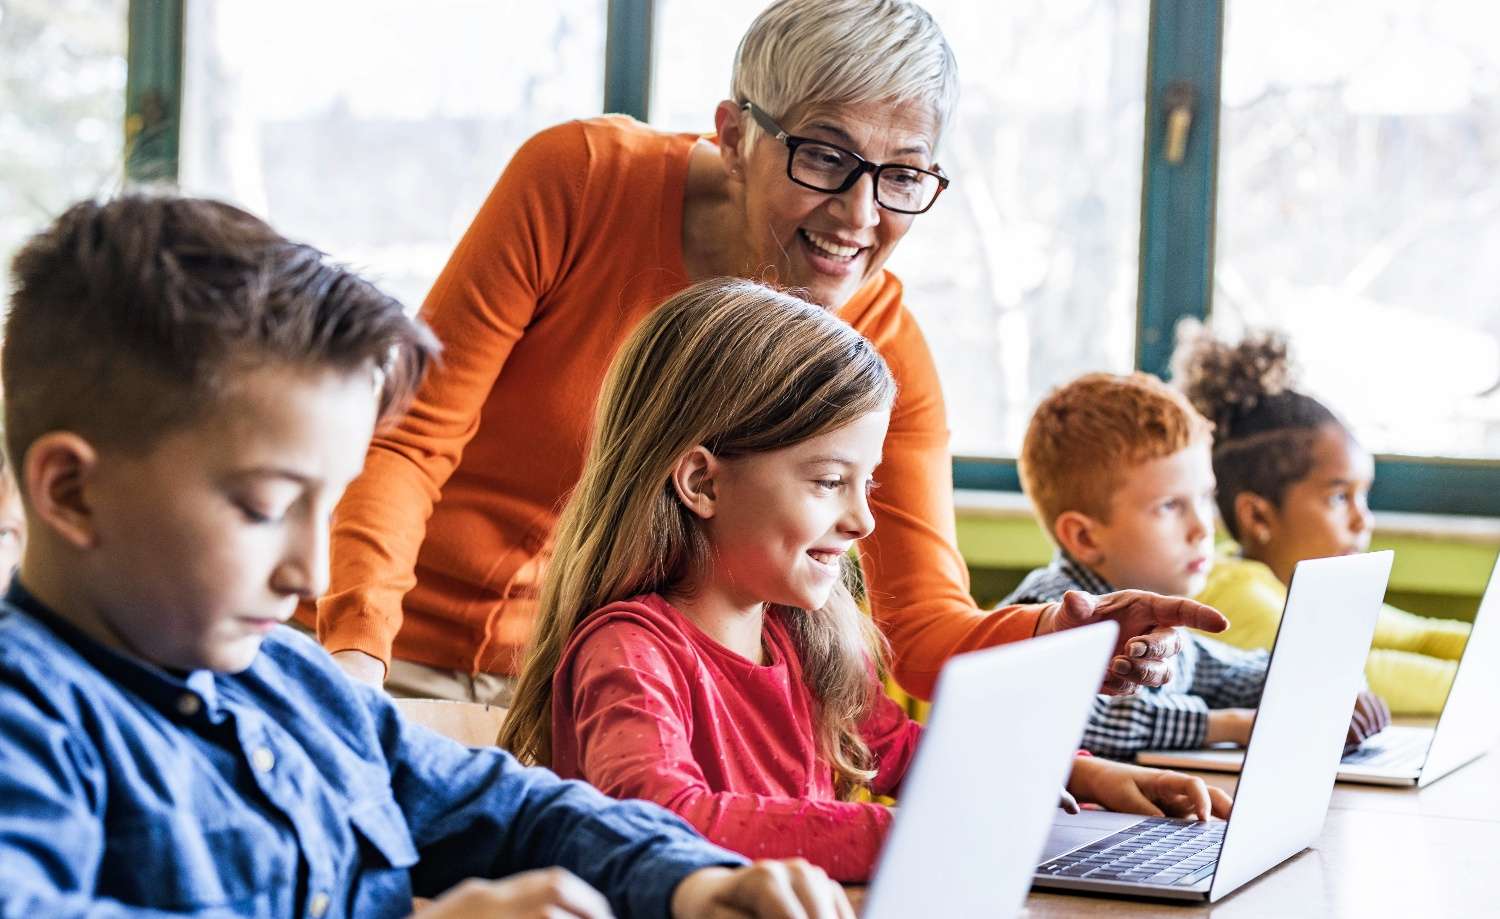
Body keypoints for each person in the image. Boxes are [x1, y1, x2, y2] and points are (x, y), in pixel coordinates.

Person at [303, 0, 1227, 708]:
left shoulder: (885, 350)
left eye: (902, 174)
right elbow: (408, 440)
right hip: (392, 659)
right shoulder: (580, 181)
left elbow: (919, 624)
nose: (860, 217)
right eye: (824, 158)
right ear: (736, 134)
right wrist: (355, 662)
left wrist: (1059, 637)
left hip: (596, 700)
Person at [0, 195, 853, 919]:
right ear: (72, 492)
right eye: (264, 507)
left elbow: (511, 807)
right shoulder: (26, 720)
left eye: (328, 507)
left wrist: (692, 880)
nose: (313, 575)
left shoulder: (292, 681)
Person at [498, 280, 1233, 882]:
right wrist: (906, 835)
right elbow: (660, 815)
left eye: (867, 484)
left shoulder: (795, 636)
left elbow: (906, 749)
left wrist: (1083, 775)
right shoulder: (630, 651)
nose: (861, 521)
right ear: (700, 480)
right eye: (827, 480)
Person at [1007, 372, 1388, 758]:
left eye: (1205, 498)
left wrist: (1332, 687)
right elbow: (1085, 719)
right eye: (1170, 506)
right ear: (1085, 538)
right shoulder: (1044, 611)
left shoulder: (1161, 623)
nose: (1202, 528)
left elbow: (1230, 675)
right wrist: (1233, 726)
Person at [1174, 322, 1471, 715]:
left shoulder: (1301, 584)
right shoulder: (1234, 599)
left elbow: (1421, 637)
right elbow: (1368, 678)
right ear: (1258, 516)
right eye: (1338, 497)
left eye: (1362, 495)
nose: (1362, 521)